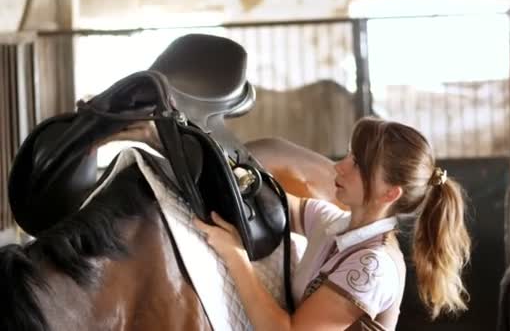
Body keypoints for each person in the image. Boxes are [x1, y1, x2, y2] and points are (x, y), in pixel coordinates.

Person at [194, 117, 471, 331]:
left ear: (390, 193)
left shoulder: (371, 267)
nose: (340, 166)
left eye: (358, 165)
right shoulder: (334, 223)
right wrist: (232, 166)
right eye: (350, 155)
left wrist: (234, 254)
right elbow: (278, 202)